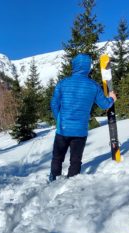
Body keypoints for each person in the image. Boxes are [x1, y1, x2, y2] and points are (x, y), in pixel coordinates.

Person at [49, 53, 117, 182]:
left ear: (74, 66)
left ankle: (53, 179)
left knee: (57, 157)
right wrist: (112, 98)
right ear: (88, 68)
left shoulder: (63, 83)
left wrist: (59, 119)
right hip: (80, 130)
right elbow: (104, 105)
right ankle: (71, 183)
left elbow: (54, 103)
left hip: (62, 128)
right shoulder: (93, 86)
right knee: (76, 160)